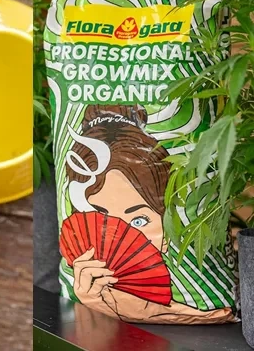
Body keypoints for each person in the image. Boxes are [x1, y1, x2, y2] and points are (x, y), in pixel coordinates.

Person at [64, 104, 234, 324]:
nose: (120, 233)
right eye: (100, 217)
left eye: (139, 220)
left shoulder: (204, 309)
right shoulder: (84, 295)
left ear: (166, 227)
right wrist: (90, 303)